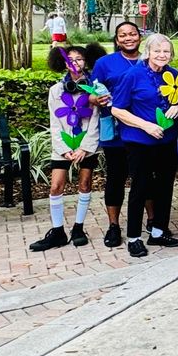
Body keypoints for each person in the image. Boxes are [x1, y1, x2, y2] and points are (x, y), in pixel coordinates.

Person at [110, 33, 178, 257]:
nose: (162, 55)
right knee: (140, 188)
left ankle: (158, 231)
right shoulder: (132, 75)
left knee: (165, 186)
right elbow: (117, 109)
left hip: (167, 140)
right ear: (148, 52)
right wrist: (145, 126)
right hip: (140, 141)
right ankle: (134, 237)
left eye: (166, 51)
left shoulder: (174, 75)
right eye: (157, 51)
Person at [30, 44, 107, 251]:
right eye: (70, 59)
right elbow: (55, 122)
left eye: (79, 59)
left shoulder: (95, 88)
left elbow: (96, 121)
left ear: (86, 61)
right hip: (63, 146)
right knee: (56, 186)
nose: (75, 63)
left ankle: (78, 228)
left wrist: (85, 147)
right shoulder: (56, 90)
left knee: (85, 183)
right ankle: (57, 231)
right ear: (63, 63)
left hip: (86, 146)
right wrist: (63, 148)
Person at [91, 22, 147, 248]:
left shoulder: (150, 59)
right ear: (116, 40)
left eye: (132, 34)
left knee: (145, 177)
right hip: (114, 130)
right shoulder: (104, 64)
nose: (128, 38)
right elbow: (92, 96)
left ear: (140, 37)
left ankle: (153, 221)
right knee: (115, 178)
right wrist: (97, 99)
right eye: (122, 35)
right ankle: (114, 226)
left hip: (143, 128)